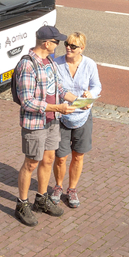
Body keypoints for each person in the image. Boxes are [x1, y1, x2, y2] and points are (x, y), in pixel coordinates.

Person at [14, 24, 78, 227]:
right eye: (57, 41)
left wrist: (75, 100)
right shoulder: (28, 65)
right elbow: (27, 101)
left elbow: (57, 87)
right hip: (35, 122)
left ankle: (41, 198)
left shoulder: (49, 61)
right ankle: (22, 203)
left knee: (49, 159)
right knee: (31, 163)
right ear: (46, 43)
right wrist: (57, 107)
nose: (59, 45)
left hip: (52, 120)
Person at [51, 32, 101, 209]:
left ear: (82, 48)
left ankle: (72, 189)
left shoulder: (89, 65)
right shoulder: (56, 63)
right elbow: (54, 88)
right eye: (67, 44)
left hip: (83, 117)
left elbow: (96, 86)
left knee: (78, 156)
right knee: (60, 157)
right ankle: (58, 186)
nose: (68, 48)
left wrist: (90, 95)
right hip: (62, 116)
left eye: (73, 46)